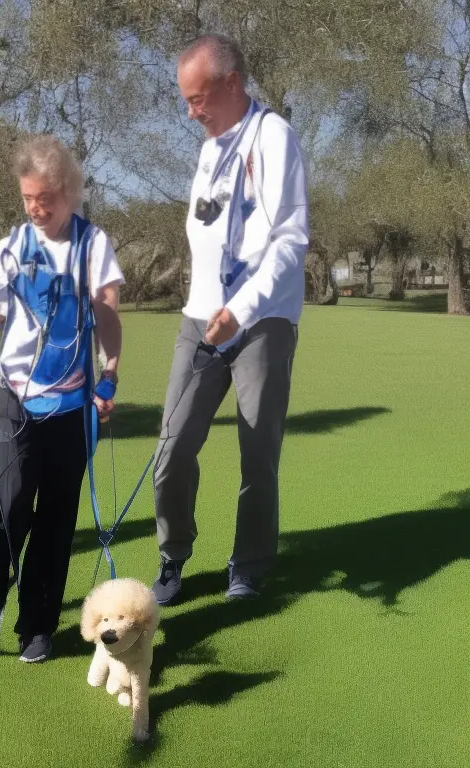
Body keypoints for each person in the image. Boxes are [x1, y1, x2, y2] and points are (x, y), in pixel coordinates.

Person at [151, 34, 309, 605]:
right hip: (201, 322)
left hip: (262, 322)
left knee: (256, 452)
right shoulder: (208, 149)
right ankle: (173, 556)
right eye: (186, 100)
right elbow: (208, 232)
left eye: (197, 98)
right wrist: (207, 308)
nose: (191, 112)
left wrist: (239, 309)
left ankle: (249, 563)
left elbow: (291, 239)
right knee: (171, 449)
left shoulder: (274, 137)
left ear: (231, 83)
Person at [0, 135, 124, 663]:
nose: (36, 207)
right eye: (28, 197)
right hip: (16, 402)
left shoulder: (92, 245)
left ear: (70, 191)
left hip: (72, 408)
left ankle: (37, 624)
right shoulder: (9, 250)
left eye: (46, 196)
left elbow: (108, 315)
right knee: (7, 506)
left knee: (56, 519)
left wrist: (110, 374)